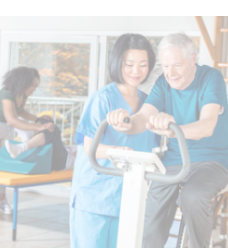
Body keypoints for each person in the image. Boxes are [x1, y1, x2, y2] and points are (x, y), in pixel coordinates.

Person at [104, 32, 228, 248]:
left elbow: (207, 125)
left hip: (214, 160)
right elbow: (143, 117)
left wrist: (175, 131)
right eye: (165, 66)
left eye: (177, 65)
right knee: (155, 204)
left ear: (192, 59)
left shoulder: (211, 78)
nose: (170, 73)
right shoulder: (163, 83)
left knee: (192, 198)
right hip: (175, 159)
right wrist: (126, 122)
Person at [69, 33, 161, 248]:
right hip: (95, 196)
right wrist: (118, 151)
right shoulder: (103, 99)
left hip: (130, 196)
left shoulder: (148, 104)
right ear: (117, 62)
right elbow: (89, 148)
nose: (136, 71)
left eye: (143, 64)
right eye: (129, 64)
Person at [0, 66, 56, 217]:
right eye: (32, 85)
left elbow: (20, 112)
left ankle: (1, 201)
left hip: (7, 127)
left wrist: (37, 119)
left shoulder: (22, 95)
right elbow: (12, 119)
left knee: (3, 162)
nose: (34, 89)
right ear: (22, 82)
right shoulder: (6, 94)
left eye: (35, 85)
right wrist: (38, 126)